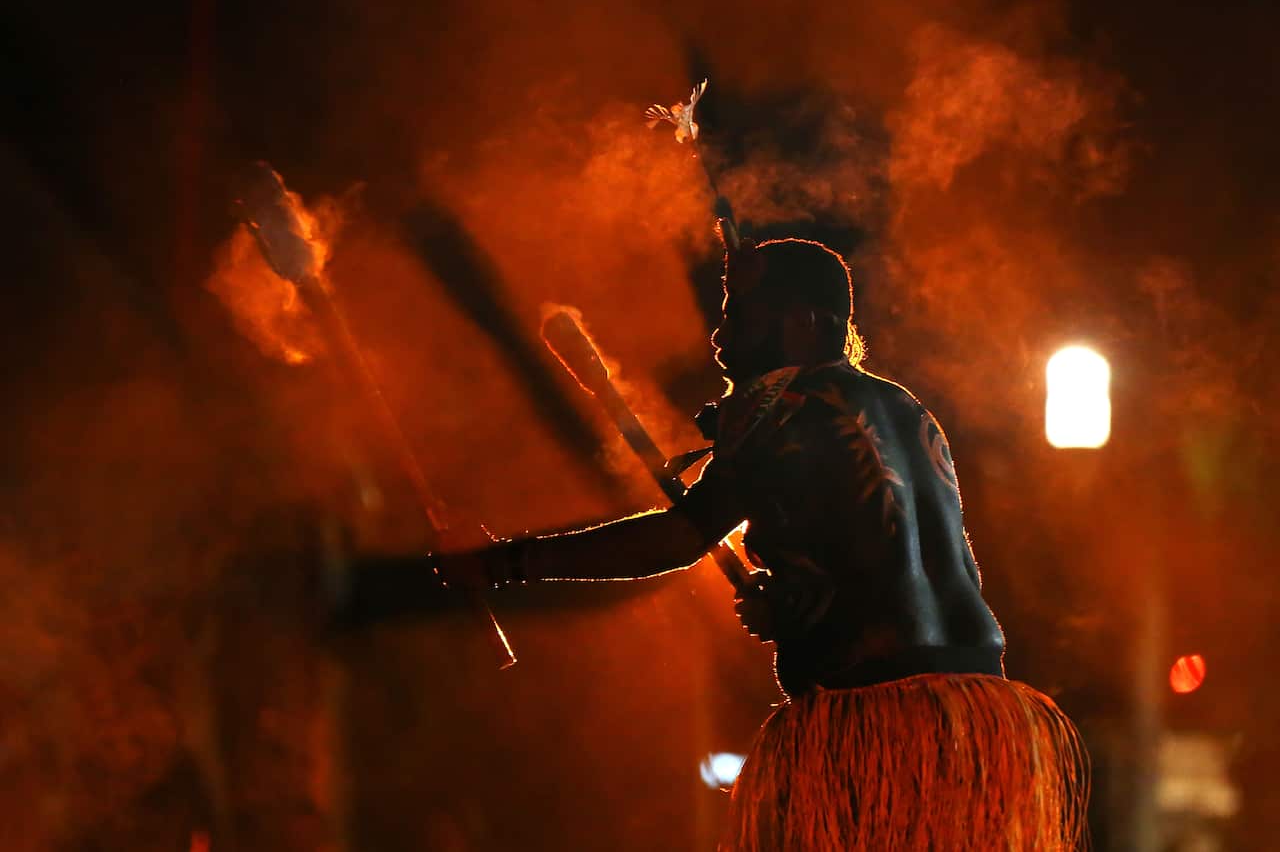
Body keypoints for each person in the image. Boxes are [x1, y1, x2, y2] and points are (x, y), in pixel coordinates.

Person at [339, 230, 1089, 850]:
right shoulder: (904, 406)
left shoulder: (776, 406)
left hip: (876, 724)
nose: (722, 333)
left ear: (803, 324)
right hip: (979, 716)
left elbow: (674, 539)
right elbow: (898, 561)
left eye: (744, 314)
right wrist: (804, 597)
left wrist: (504, 561)